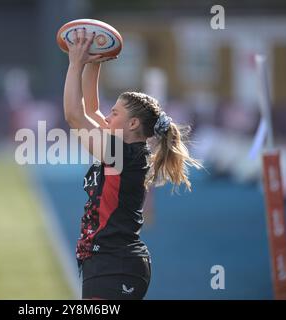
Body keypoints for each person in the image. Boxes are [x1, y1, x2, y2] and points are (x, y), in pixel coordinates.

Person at [63, 28, 202, 300]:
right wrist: (94, 61)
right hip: (110, 263)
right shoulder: (123, 149)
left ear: (133, 124)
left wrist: (75, 63)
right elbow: (89, 110)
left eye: (114, 113)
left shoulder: (122, 153)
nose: (106, 117)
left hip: (116, 265)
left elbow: (73, 115)